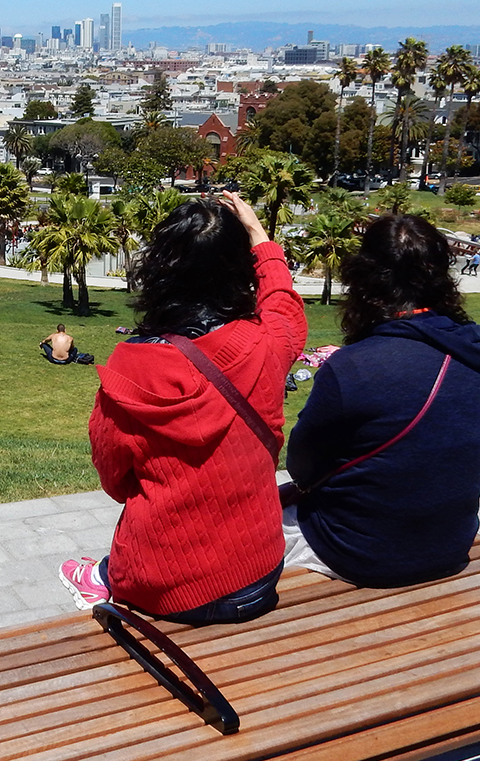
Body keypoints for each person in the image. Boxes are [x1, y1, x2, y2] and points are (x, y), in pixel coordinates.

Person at [59, 192, 307, 624]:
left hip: (168, 588)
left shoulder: (130, 368)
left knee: (109, 563)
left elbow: (115, 481)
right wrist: (257, 233)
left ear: (159, 270)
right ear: (240, 269)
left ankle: (100, 576)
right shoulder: (269, 342)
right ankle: (103, 573)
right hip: (261, 570)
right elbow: (283, 300)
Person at [281, 213, 480, 588]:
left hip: (362, 553)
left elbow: (302, 467)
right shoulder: (473, 353)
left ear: (363, 281)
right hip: (448, 545)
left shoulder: (354, 367)